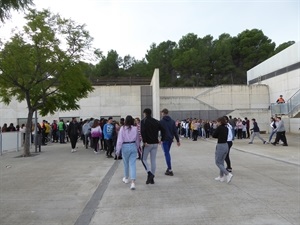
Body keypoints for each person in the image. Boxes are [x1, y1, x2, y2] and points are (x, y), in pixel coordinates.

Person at [115, 115, 140, 190]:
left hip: (125, 146)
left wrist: (117, 150)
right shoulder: (135, 128)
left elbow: (119, 140)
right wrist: (137, 147)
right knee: (132, 164)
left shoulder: (122, 128)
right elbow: (137, 140)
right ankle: (133, 182)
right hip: (133, 146)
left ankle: (126, 178)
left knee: (126, 163)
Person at [140, 108, 163, 184]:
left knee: (144, 159)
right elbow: (162, 129)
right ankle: (152, 177)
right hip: (155, 143)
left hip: (148, 143)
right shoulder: (156, 121)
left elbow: (143, 132)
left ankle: (149, 173)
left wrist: (144, 141)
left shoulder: (143, 121)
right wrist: (160, 139)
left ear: (145, 113)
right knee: (153, 160)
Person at [160, 108, 180, 176]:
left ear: (163, 113)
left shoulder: (161, 121)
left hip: (164, 139)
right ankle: (168, 168)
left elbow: (159, 130)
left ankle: (170, 168)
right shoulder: (172, 121)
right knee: (167, 152)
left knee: (166, 153)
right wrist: (178, 140)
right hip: (170, 139)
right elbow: (175, 131)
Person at [213, 117, 233, 183]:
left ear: (220, 122)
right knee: (221, 162)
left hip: (220, 145)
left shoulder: (219, 128)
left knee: (218, 162)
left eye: (217, 122)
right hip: (226, 145)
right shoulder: (226, 128)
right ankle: (221, 177)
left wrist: (216, 129)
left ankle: (227, 174)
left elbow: (214, 135)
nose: (217, 123)